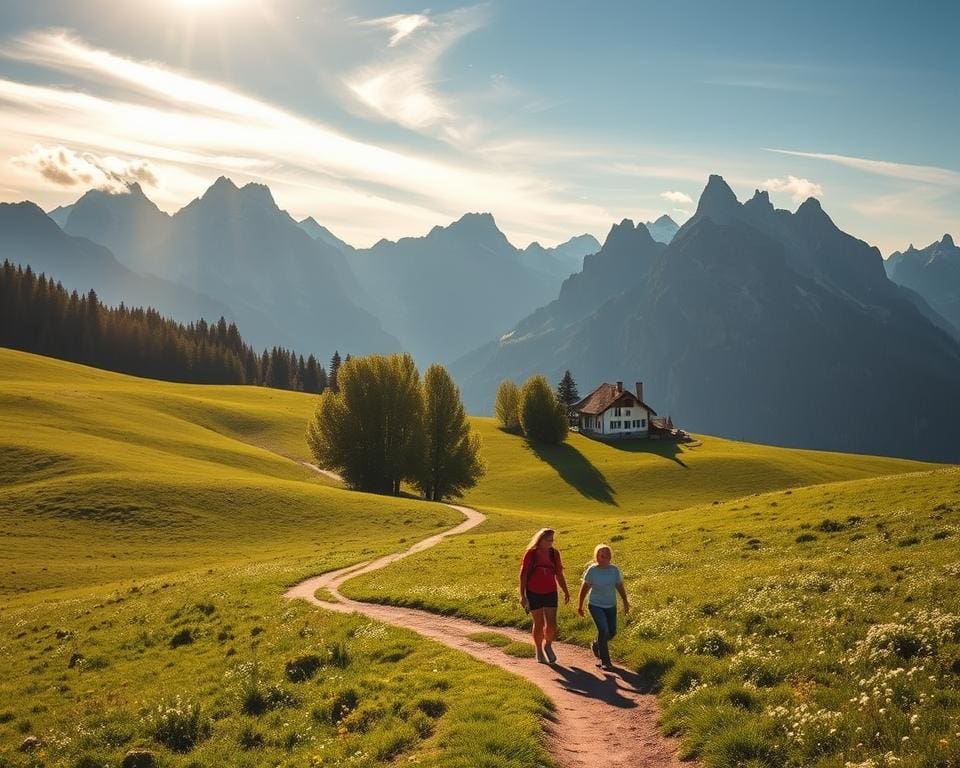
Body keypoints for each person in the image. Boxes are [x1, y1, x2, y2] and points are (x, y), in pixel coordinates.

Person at [519, 528, 570, 664]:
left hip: (550, 591)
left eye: (552, 540)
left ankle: (548, 645)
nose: (551, 542)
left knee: (552, 624)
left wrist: (565, 591)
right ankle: (539, 650)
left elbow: (559, 574)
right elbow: (523, 575)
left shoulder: (554, 554)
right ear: (540, 540)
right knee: (539, 623)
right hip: (533, 591)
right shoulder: (531, 554)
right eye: (548, 540)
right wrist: (522, 595)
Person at [577, 543, 630, 671]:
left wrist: (625, 601)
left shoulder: (614, 570)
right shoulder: (592, 570)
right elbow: (584, 588)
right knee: (604, 630)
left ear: (610, 557)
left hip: (611, 605)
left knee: (612, 632)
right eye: (601, 555)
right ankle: (605, 661)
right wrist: (580, 605)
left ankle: (597, 645)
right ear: (596, 557)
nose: (604, 558)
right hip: (595, 605)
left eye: (606, 555)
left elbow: (619, 586)